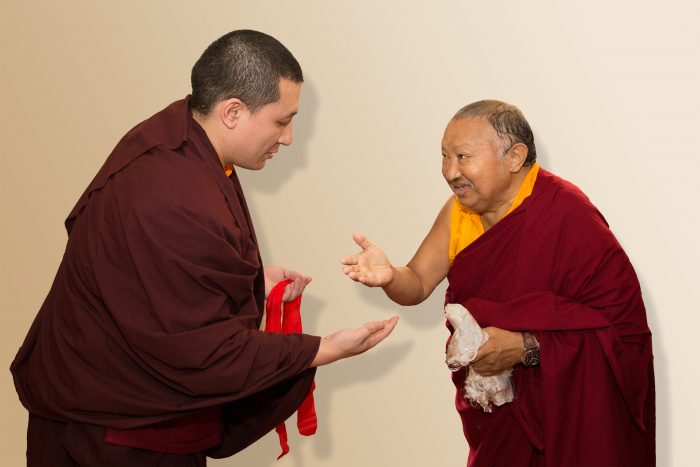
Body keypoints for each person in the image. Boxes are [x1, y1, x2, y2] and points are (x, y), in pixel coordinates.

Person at [11, 29, 398, 466]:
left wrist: (253, 278)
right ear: (232, 111)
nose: (288, 138)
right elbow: (200, 349)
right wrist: (326, 348)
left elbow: (155, 274)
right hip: (118, 431)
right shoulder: (170, 195)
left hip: (104, 405)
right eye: (281, 120)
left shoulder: (178, 138)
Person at [341, 100, 655, 466]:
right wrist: (391, 276)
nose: (450, 172)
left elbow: (622, 336)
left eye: (463, 156)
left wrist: (528, 347)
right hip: (499, 412)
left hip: (571, 414)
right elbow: (418, 282)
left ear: (515, 156)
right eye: (444, 156)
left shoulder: (567, 214)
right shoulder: (458, 212)